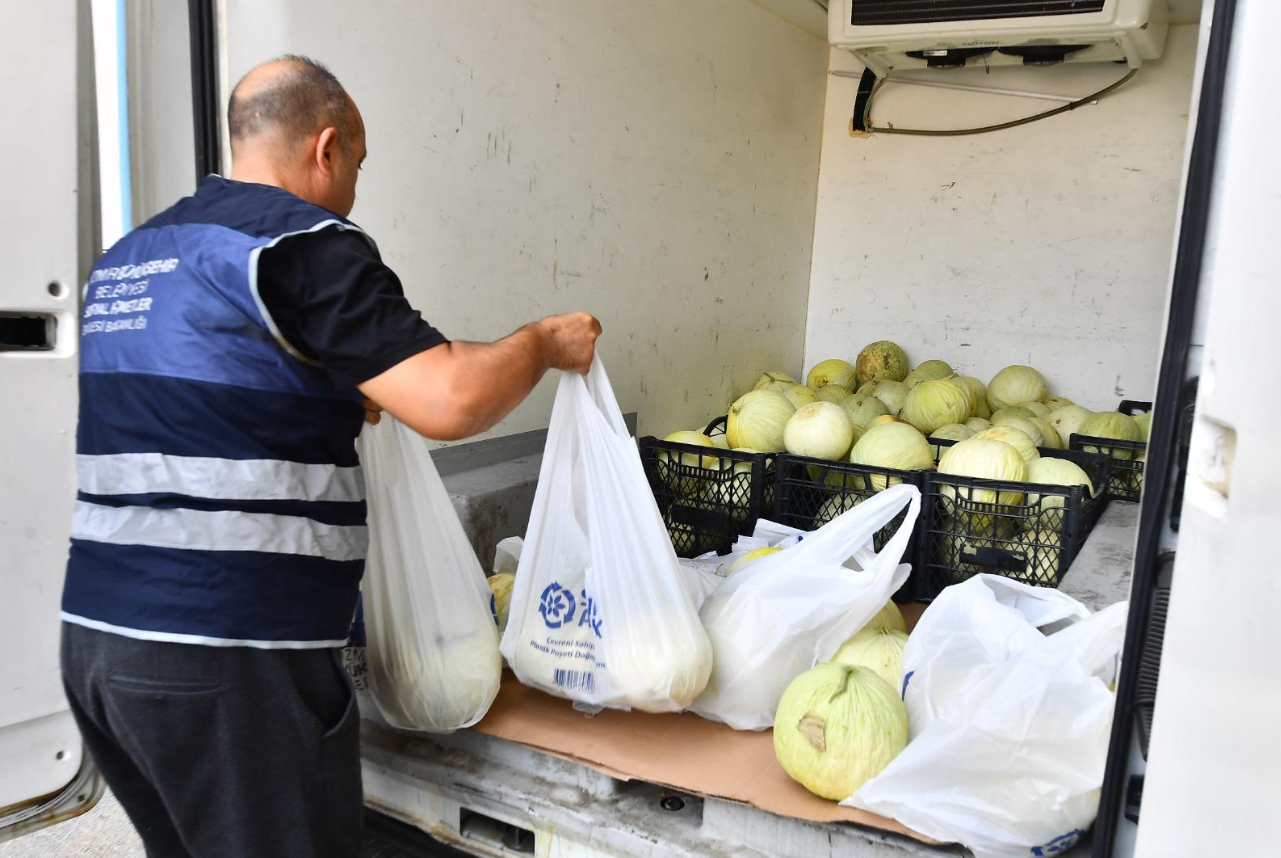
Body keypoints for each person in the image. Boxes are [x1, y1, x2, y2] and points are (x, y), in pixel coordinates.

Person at [59, 55, 600, 858]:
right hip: (230, 659)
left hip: (99, 643)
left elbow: (202, 395)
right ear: (327, 147)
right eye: (359, 163)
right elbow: (452, 399)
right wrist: (541, 342)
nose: (354, 185)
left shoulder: (134, 256)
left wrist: (333, 391)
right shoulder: (302, 243)